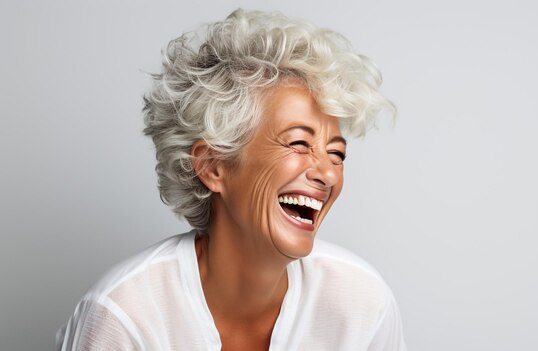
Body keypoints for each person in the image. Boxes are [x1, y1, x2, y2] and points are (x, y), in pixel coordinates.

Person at [57, 9, 406, 350]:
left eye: (337, 154)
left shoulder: (362, 303)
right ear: (212, 166)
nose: (328, 173)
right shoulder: (124, 316)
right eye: (299, 142)